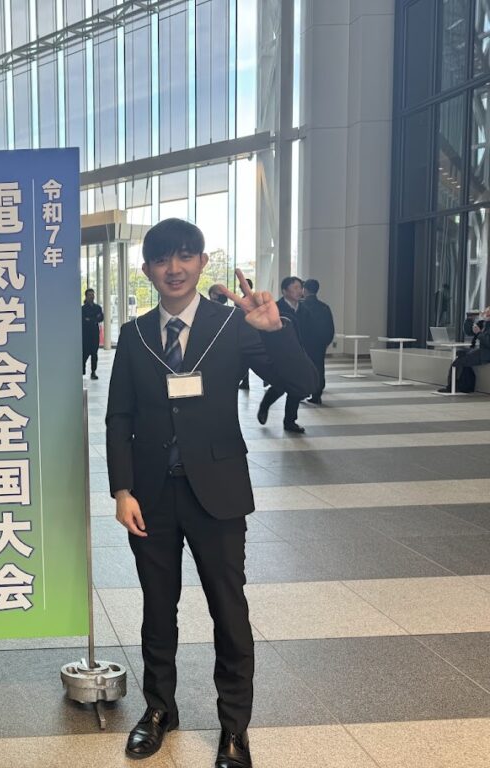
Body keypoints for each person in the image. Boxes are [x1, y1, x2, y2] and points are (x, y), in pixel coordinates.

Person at [106, 218, 316, 768]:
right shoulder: (135, 335)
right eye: (162, 259)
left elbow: (304, 383)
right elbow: (119, 417)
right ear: (147, 270)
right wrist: (122, 489)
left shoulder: (234, 325)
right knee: (157, 608)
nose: (173, 269)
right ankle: (159, 710)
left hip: (218, 494)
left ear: (202, 263)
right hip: (151, 496)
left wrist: (276, 330)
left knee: (228, 609)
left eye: (185, 256)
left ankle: (234, 729)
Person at [256, 276, 308, 433]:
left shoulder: (304, 309)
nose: (299, 291)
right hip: (281, 355)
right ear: (285, 291)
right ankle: (265, 405)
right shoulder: (276, 309)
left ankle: (290, 421)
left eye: (300, 287)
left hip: (300, 355)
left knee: (296, 388)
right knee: (280, 386)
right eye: (295, 288)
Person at [440, 307, 490, 393]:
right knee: (460, 354)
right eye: (484, 313)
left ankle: (452, 387)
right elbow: (468, 331)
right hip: (481, 351)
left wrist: (479, 333)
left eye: (486, 313)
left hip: (486, 353)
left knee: (458, 362)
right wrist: (469, 319)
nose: (484, 315)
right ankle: (465, 386)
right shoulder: (484, 323)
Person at [301, 279, 335, 404]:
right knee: (319, 367)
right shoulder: (324, 307)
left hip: (304, 343)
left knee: (303, 368)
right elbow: (330, 328)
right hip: (320, 343)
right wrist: (325, 342)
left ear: (305, 290)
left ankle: (303, 391)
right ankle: (317, 394)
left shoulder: (301, 306)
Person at [82, 288, 104, 379]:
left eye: (93, 294)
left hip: (95, 334)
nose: (92, 296)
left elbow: (101, 318)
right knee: (85, 353)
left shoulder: (98, 307)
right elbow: (84, 320)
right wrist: (94, 319)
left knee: (94, 353)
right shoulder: (83, 309)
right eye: (90, 295)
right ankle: (82, 370)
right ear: (86, 296)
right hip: (86, 334)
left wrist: (90, 319)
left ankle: (93, 372)